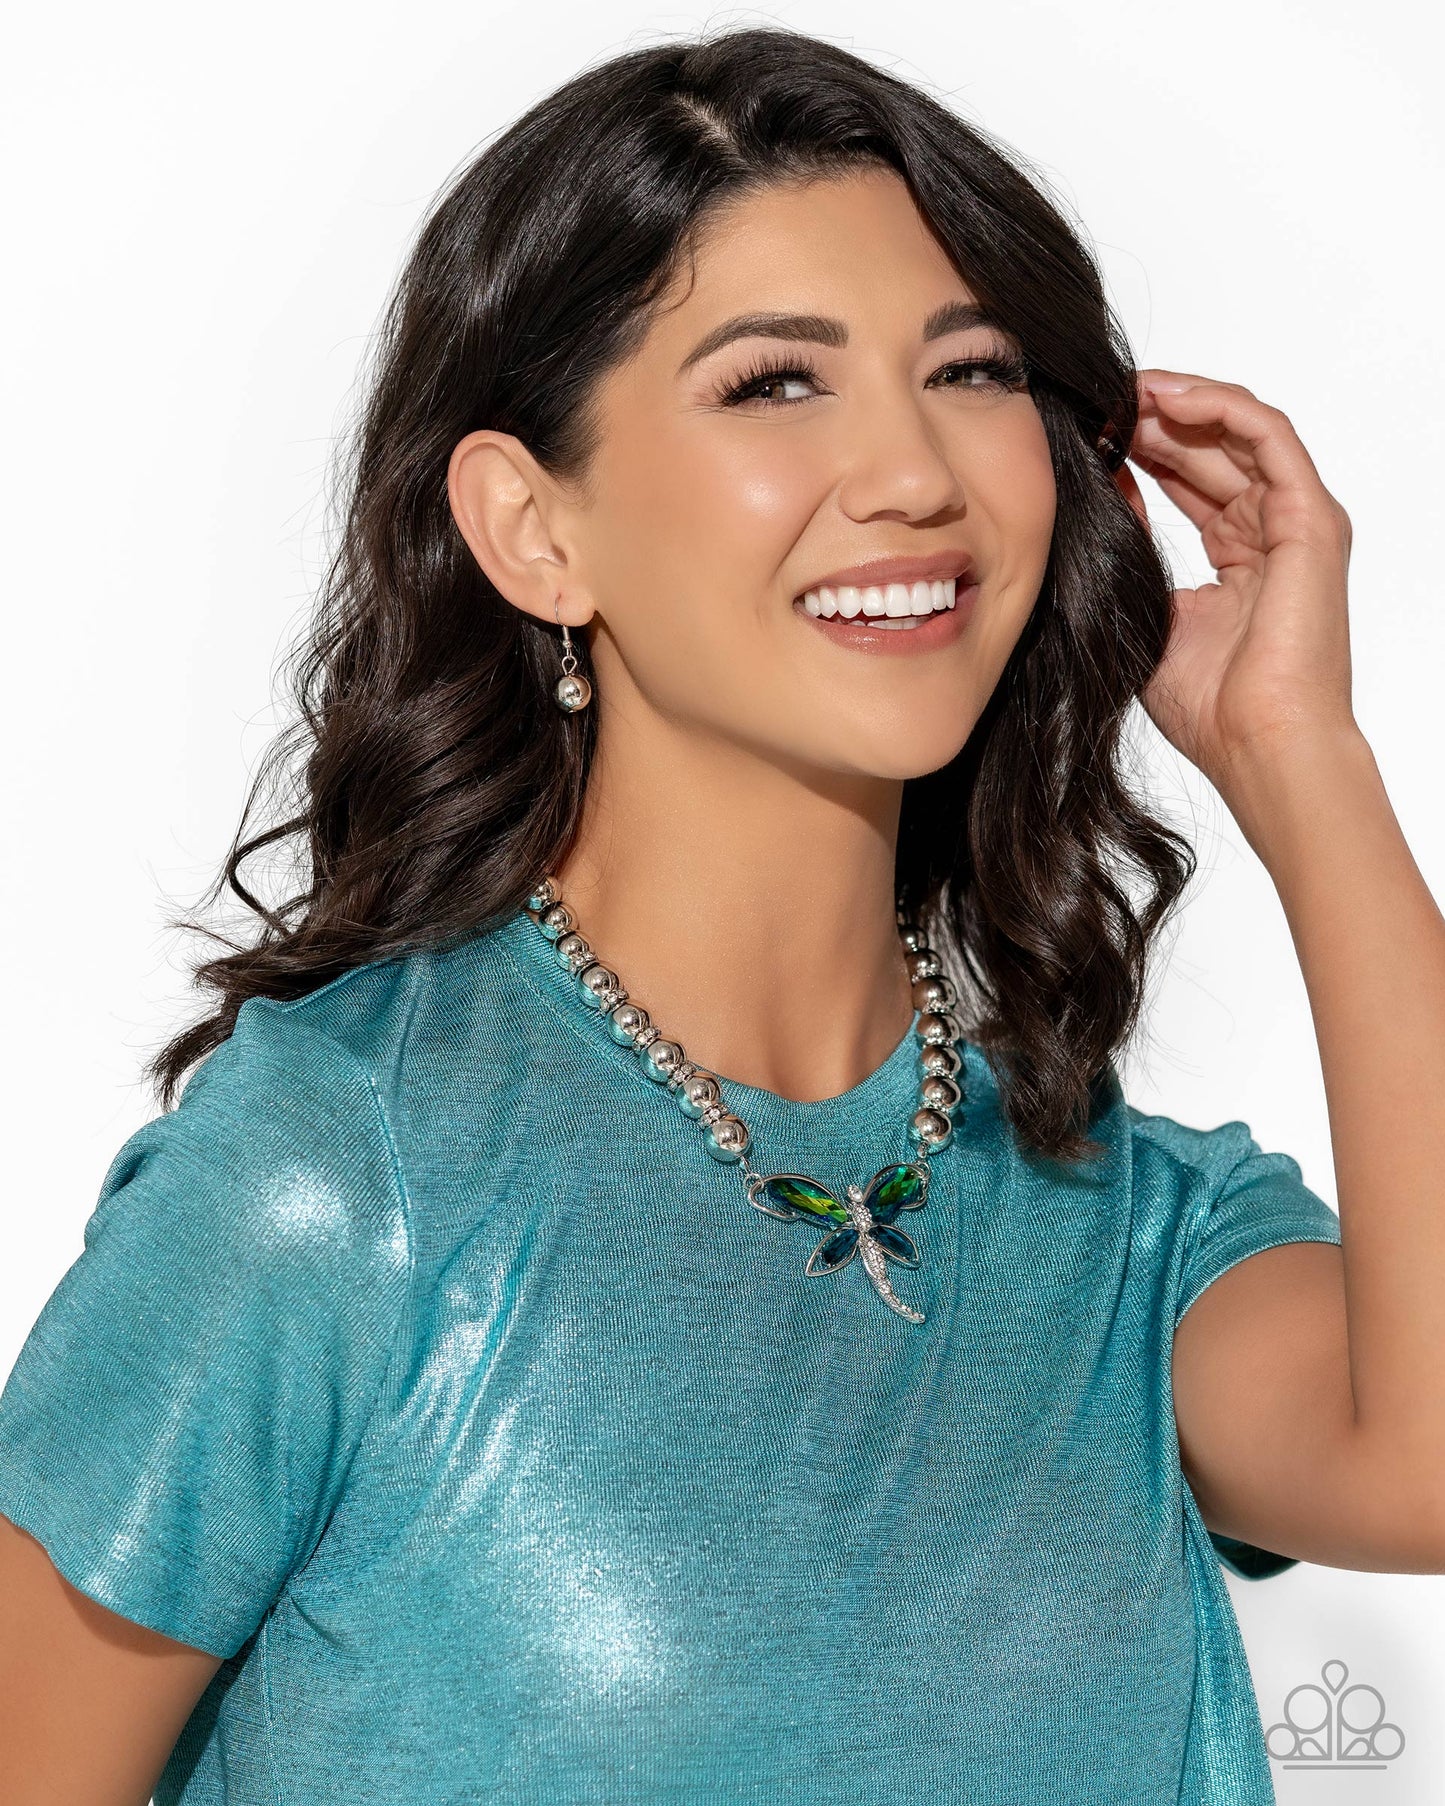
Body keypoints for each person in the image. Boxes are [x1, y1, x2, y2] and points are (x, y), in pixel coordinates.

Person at [1, 23, 1441, 1806]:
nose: (911, 471)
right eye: (774, 383)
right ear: (532, 528)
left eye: (970, 370)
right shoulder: (333, 1176)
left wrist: (1301, 756)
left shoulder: (1124, 1230)